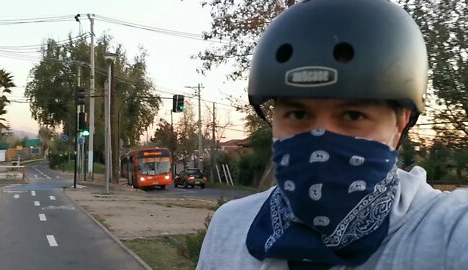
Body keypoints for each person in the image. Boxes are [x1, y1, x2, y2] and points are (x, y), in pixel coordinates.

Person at [196, 0, 468, 269]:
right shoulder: (229, 228)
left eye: (353, 115)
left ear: (400, 124)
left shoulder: (447, 230)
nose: (320, 138)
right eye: (298, 114)